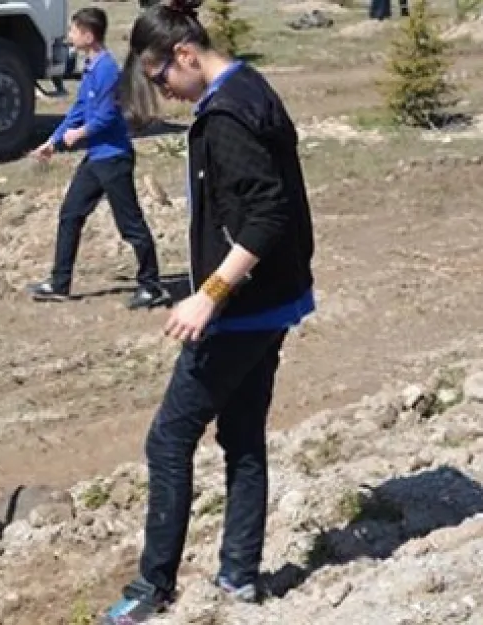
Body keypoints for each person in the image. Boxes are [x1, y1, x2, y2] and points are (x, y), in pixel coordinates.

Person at [99, 1, 315, 622]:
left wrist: (209, 295)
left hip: (244, 309)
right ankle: (238, 577)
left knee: (168, 439)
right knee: (242, 436)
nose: (162, 90)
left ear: (186, 55)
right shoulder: (250, 84)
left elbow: (266, 214)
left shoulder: (226, 116)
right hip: (277, 298)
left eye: (161, 76)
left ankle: (152, 588)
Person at [27, 7, 169, 310]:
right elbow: (78, 110)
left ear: (88, 36)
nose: (69, 36)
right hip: (96, 158)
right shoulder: (91, 67)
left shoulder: (107, 70)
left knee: (129, 224)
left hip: (114, 158)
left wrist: (79, 135)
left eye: (73, 31)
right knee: (70, 214)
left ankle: (152, 286)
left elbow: (106, 118)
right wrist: (52, 141)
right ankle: (59, 283)